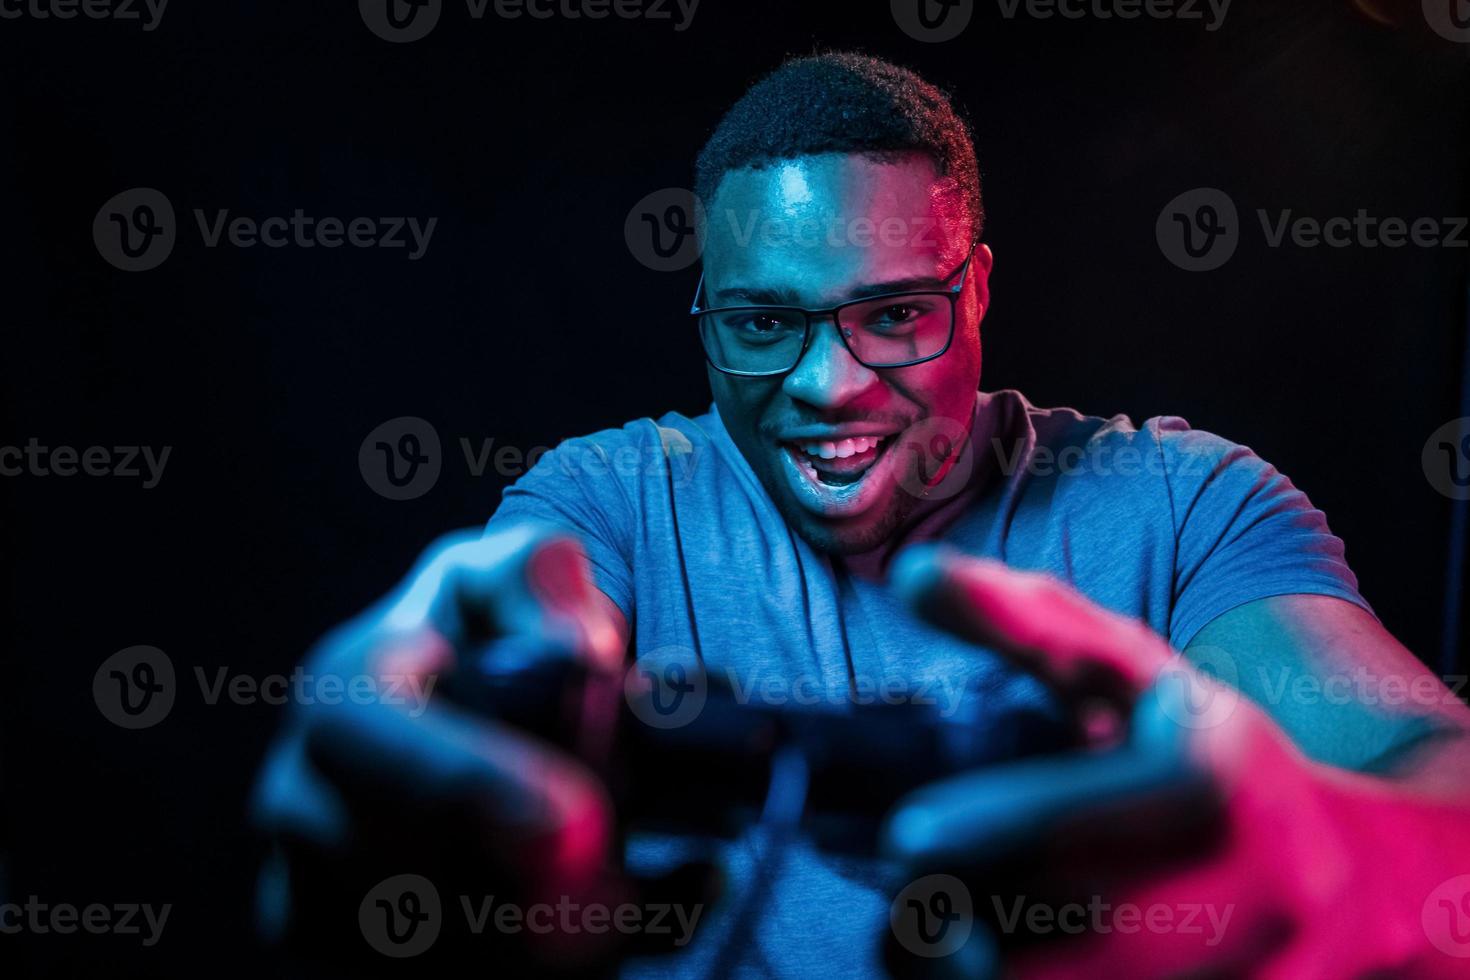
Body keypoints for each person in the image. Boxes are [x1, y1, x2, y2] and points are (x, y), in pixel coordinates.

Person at [253, 51, 1470, 978]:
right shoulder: (615, 502)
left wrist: (1327, 861)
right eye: (765, 324)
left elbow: (1445, 792)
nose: (831, 387)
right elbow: (483, 640)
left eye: (895, 314)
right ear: (709, 313)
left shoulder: (1180, 501)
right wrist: (410, 747)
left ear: (976, 286)